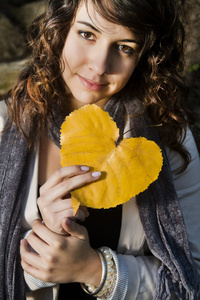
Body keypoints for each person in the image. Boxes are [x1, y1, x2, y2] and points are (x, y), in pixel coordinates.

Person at [0, 0, 200, 299]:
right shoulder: (4, 125)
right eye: (87, 34)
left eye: (125, 47)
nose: (99, 65)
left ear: (146, 58)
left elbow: (192, 273)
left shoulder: (170, 138)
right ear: (61, 30)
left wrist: (95, 270)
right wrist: (43, 254)